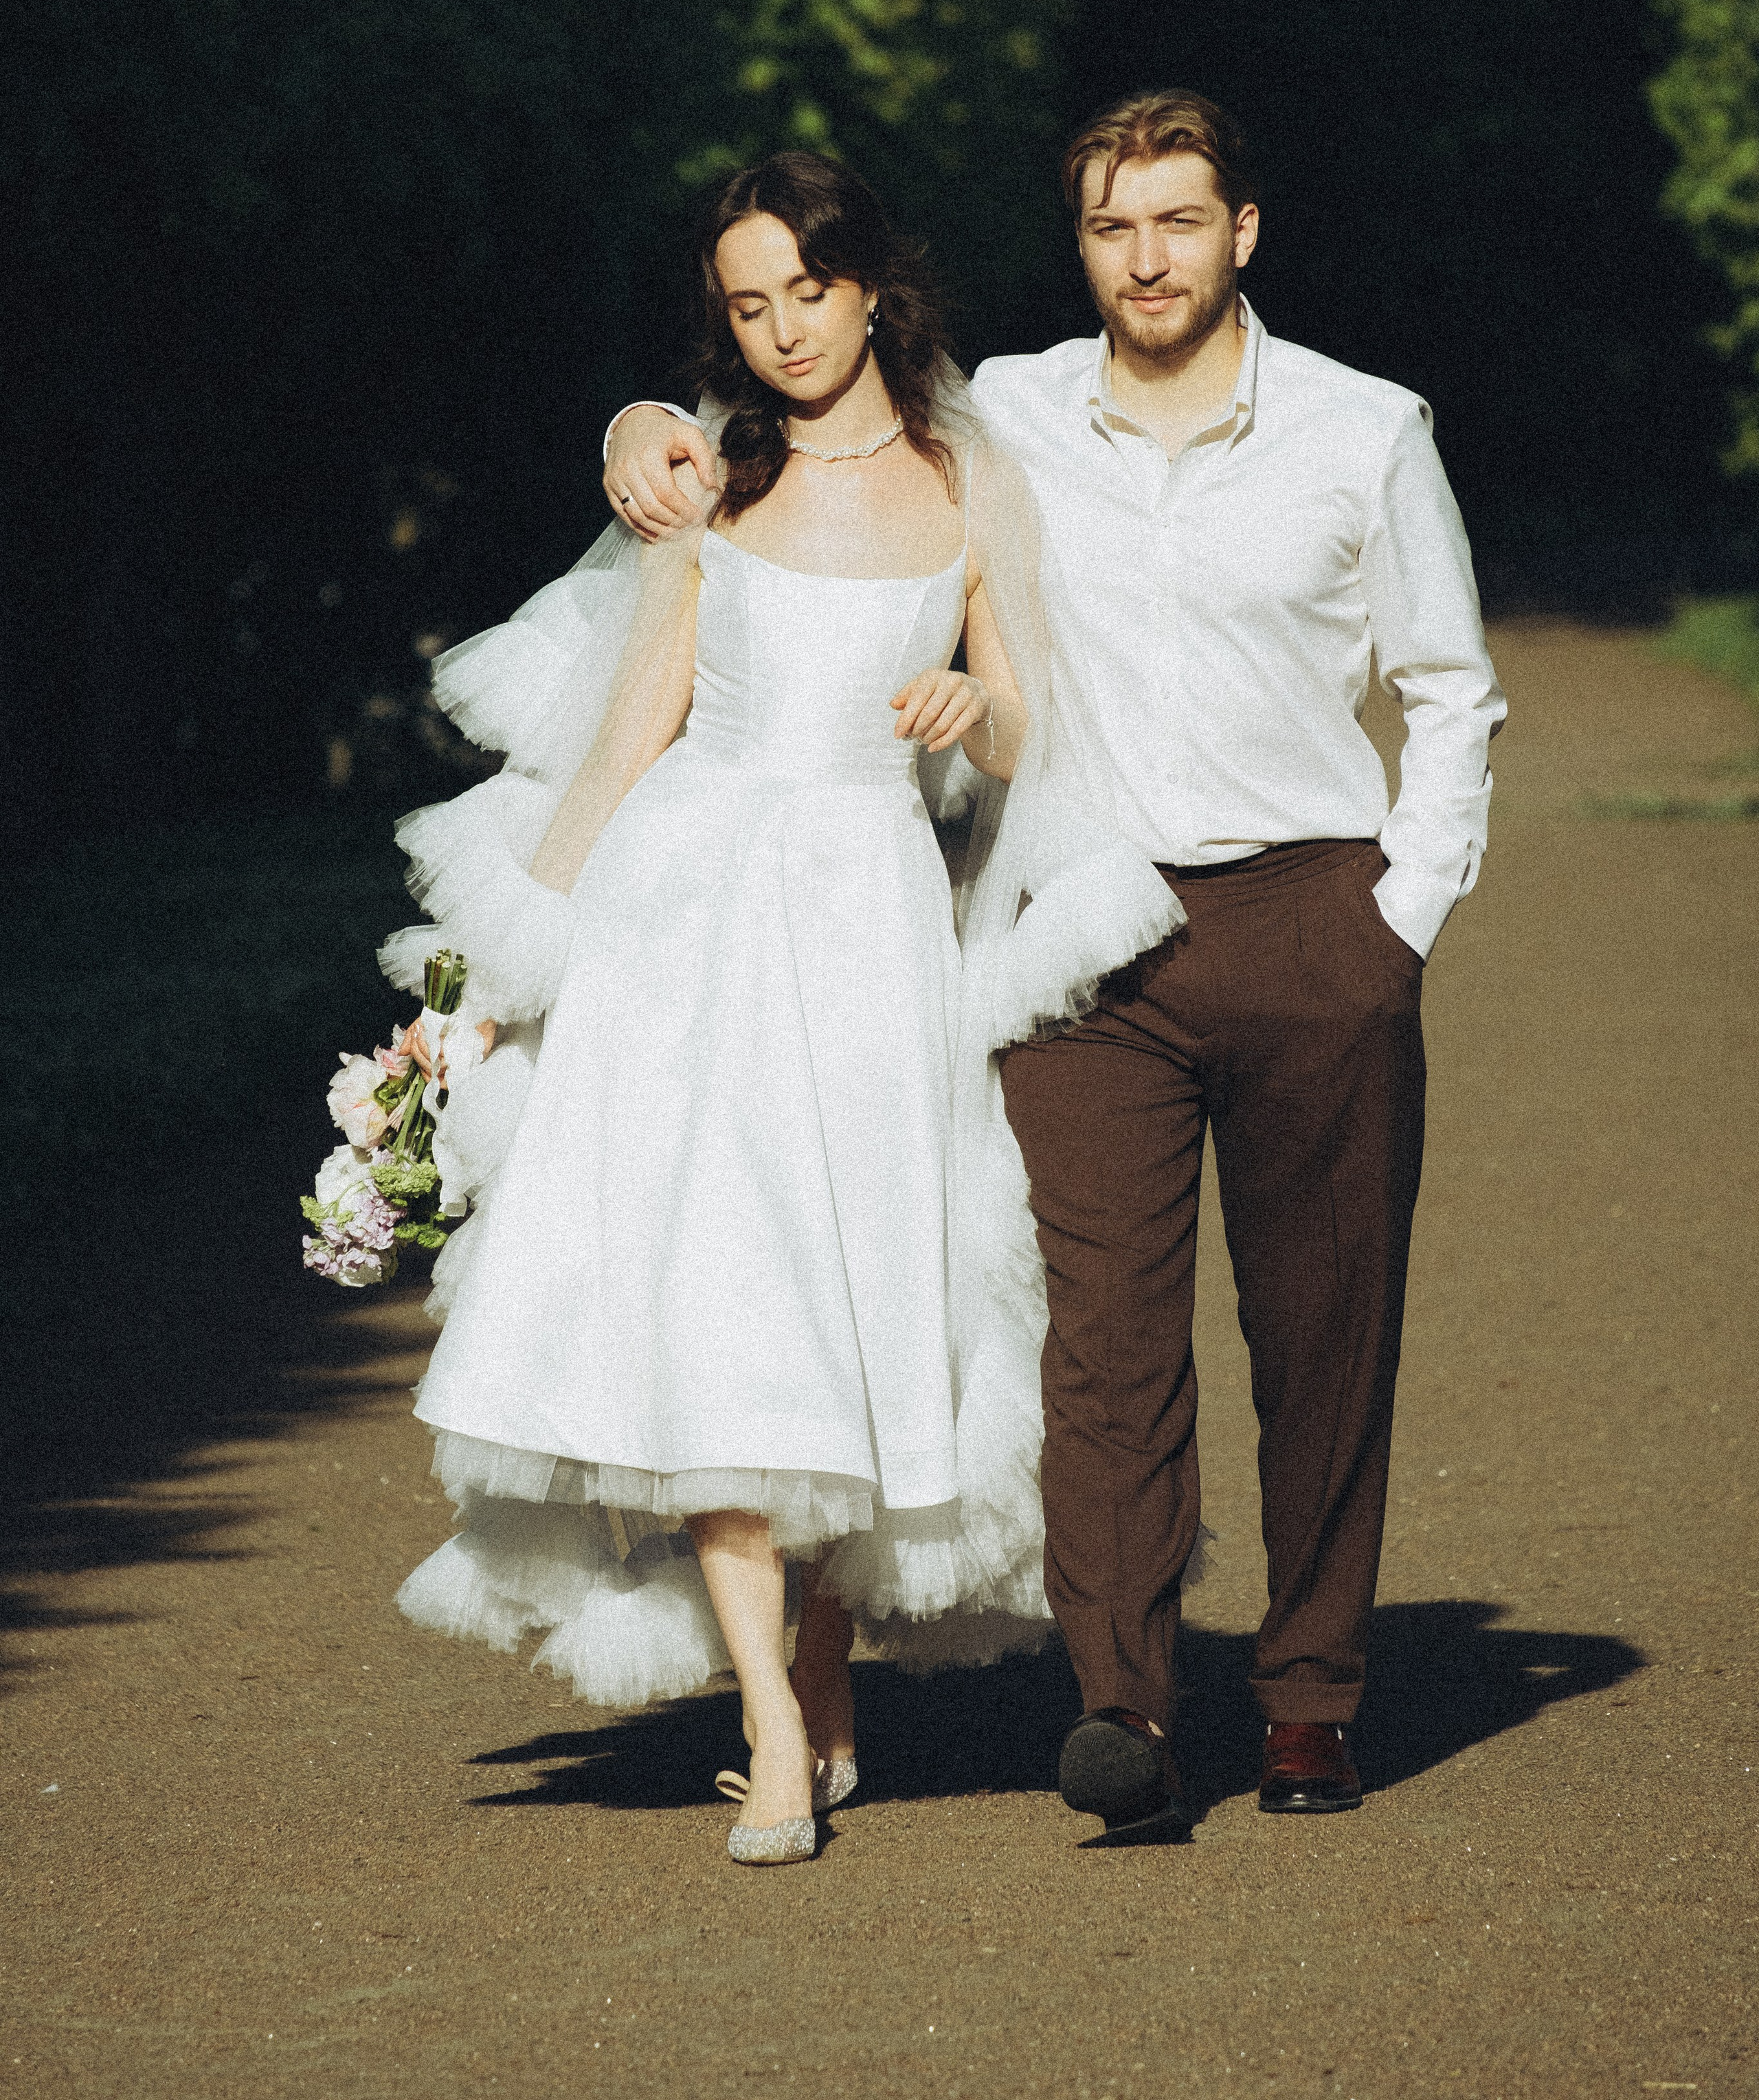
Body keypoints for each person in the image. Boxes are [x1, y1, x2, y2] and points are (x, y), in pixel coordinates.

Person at [603, 90, 1506, 1833]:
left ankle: (1308, 1697)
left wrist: (1396, 917)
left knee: (1322, 1331)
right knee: (1098, 1343)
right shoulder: (1000, 413)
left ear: (1243, 229)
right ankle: (1127, 1709)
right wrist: (642, 422)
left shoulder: (1362, 431)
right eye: (1110, 226)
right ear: (1078, 244)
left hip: (1310, 913)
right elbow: (800, 406)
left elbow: (1451, 688)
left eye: (1176, 220)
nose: (1143, 257)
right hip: (1078, 939)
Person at [381, 152, 1187, 1866]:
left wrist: (975, 703)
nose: (779, 331)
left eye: (802, 293)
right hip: (691, 917)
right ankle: (764, 1714)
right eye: (744, 307)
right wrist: (494, 972)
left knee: (847, 1295)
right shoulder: (702, 474)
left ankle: (822, 1667)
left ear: (873, 288)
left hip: (871, 920)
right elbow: (624, 740)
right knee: (733, 1303)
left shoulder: (973, 480)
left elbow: (1038, 737)